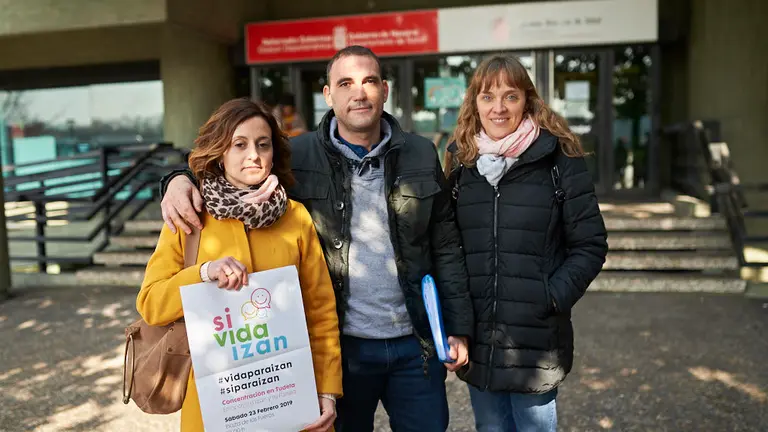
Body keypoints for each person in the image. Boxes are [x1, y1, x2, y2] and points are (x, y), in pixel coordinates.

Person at [158, 45, 474, 432]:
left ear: (385, 90)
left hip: (415, 344)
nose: (359, 93)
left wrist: (456, 326)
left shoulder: (421, 153)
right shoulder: (301, 153)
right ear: (328, 95)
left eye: (369, 81)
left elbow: (444, 244)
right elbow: (232, 155)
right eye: (345, 83)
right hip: (346, 347)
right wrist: (176, 179)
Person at [136, 98, 342, 432]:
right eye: (239, 144)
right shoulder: (188, 215)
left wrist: (328, 390)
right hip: (215, 406)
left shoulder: (295, 217)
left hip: (290, 398)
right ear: (220, 151)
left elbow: (320, 312)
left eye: (263, 144)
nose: (254, 155)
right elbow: (151, 305)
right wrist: (203, 274)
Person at [445, 54, 608, 432]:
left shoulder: (558, 158)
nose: (498, 108)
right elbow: (449, 247)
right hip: (480, 338)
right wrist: (456, 320)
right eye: (487, 97)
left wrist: (550, 297)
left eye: (510, 96)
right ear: (474, 104)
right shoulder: (462, 162)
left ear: (527, 100)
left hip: (535, 339)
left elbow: (591, 244)